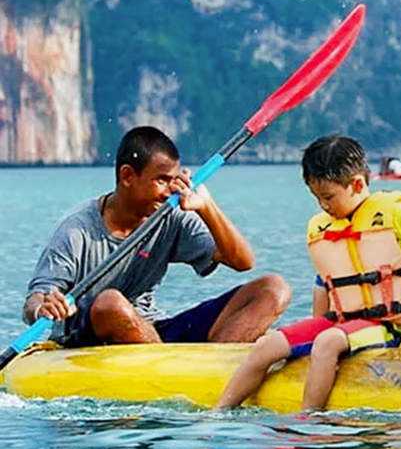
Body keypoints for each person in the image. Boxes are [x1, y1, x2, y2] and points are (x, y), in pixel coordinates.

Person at [216, 134, 401, 411]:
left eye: (328, 196)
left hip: (387, 326)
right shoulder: (323, 228)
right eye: (316, 197)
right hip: (340, 323)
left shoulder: (394, 213)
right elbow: (325, 282)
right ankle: (218, 414)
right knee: (267, 345)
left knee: (327, 341)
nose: (323, 205)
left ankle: (310, 420)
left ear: (357, 184)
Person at [22, 126, 290, 347]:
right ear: (127, 176)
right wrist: (43, 308)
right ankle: (173, 367)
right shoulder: (76, 230)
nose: (168, 192)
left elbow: (242, 261)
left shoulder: (169, 215)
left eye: (173, 180)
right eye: (161, 180)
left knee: (273, 288)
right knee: (111, 303)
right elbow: (34, 301)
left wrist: (207, 207)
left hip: (151, 328)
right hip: (89, 336)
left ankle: (214, 370)